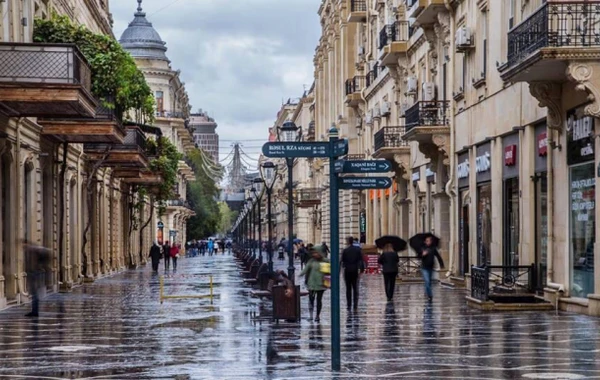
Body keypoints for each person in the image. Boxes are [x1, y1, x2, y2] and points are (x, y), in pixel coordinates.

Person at [300, 246, 329, 322]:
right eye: (313, 253)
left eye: (316, 252)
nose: (314, 254)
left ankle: (317, 315)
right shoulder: (311, 261)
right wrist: (300, 275)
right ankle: (311, 315)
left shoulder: (325, 261)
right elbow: (305, 270)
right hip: (311, 284)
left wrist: (327, 282)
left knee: (319, 300)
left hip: (320, 284)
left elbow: (328, 272)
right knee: (311, 300)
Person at [24, 242, 50, 317]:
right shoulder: (34, 251)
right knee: (35, 294)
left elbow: (36, 264)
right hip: (35, 274)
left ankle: (35, 311)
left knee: (35, 294)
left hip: (35, 274)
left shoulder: (33, 251)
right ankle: (34, 310)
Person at [418, 236, 445, 302]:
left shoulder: (433, 249)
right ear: (425, 241)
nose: (428, 242)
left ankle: (427, 293)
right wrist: (422, 254)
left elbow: (438, 256)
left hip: (431, 267)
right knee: (427, 281)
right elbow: (418, 256)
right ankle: (430, 296)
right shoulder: (423, 248)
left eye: (429, 240)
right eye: (427, 241)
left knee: (429, 282)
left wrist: (441, 264)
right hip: (424, 268)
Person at [341, 236, 364, 311]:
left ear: (348, 242)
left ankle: (349, 305)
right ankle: (355, 305)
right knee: (355, 289)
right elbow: (361, 260)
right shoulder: (357, 250)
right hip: (355, 270)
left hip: (347, 271)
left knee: (348, 289)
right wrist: (361, 270)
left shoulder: (345, 250)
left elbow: (342, 261)